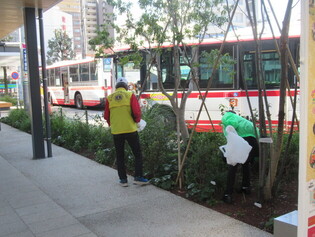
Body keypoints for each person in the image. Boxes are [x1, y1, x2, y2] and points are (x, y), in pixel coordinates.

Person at [104, 77, 149, 187]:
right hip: (130, 130)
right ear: (126, 86)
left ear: (116, 86)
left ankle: (123, 180)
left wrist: (113, 125)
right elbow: (136, 111)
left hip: (116, 131)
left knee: (120, 155)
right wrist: (138, 122)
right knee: (137, 154)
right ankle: (138, 177)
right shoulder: (130, 95)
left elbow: (106, 116)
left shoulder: (110, 98)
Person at [221, 111, 259, 204]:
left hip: (241, 140)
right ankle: (246, 187)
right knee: (246, 163)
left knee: (232, 166)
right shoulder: (245, 122)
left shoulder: (228, 115)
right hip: (252, 141)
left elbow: (232, 125)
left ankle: (228, 195)